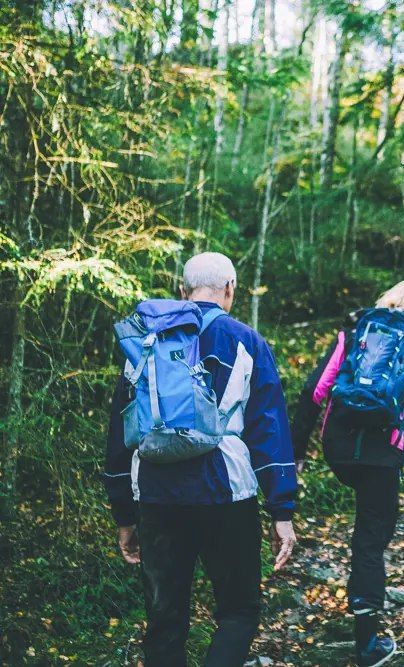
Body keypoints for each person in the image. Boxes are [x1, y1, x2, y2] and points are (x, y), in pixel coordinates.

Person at [103, 252, 297, 666]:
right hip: (225, 494)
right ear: (230, 289)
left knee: (164, 618)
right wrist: (282, 509)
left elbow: (120, 434)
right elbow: (269, 429)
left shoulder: (144, 342)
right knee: (239, 610)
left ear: (182, 290)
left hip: (154, 493)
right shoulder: (245, 340)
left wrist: (123, 513)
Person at [293, 281, 404, 667]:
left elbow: (314, 390)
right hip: (382, 455)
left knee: (366, 526)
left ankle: (359, 605)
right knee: (370, 539)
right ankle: (367, 642)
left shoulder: (353, 333)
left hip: (339, 450)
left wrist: (295, 453)